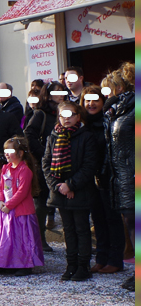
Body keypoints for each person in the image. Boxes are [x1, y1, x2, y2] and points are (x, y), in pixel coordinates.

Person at [42, 103, 97, 281]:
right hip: (60, 191)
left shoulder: (86, 136)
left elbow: (89, 166)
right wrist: (58, 186)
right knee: (68, 229)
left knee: (81, 229)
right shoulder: (53, 136)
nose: (66, 118)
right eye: (62, 115)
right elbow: (46, 163)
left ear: (78, 117)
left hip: (80, 190)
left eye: (70, 114)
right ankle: (70, 264)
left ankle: (83, 266)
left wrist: (71, 185)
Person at [80, 86, 123, 274]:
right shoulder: (81, 124)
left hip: (108, 177)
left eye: (95, 99)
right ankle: (101, 257)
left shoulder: (109, 120)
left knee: (112, 219)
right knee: (97, 219)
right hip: (89, 179)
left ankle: (115, 260)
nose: (91, 104)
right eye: (87, 100)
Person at [24, 80, 67, 250]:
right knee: (41, 202)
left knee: (63, 200)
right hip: (45, 166)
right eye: (57, 92)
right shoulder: (41, 114)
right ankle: (39, 239)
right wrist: (44, 154)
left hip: (65, 164)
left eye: (62, 91)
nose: (60, 95)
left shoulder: (67, 111)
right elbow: (29, 134)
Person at [0, 136, 44, 276]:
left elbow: (22, 191)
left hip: (21, 212)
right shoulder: (5, 168)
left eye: (10, 151)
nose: (6, 154)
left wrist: (8, 204)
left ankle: (25, 264)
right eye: (5, 151)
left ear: (20, 153)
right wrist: (0, 200)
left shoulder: (25, 170)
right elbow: (0, 187)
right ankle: (7, 262)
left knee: (22, 239)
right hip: (7, 210)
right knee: (8, 238)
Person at [102, 62, 134, 272]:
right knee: (131, 225)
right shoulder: (117, 110)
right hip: (122, 178)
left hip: (132, 175)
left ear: (119, 88)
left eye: (107, 89)